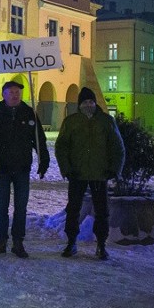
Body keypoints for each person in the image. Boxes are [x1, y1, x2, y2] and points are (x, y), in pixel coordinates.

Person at [54, 87, 125, 260]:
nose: (88, 105)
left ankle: (101, 244)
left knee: (102, 211)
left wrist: (114, 169)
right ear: (80, 105)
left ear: (95, 103)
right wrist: (66, 168)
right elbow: (61, 146)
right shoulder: (71, 122)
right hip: (77, 173)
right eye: (85, 102)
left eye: (91, 102)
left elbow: (118, 147)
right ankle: (71, 242)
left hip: (99, 173)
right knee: (73, 209)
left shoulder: (106, 121)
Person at [0, 80, 49, 258]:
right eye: (11, 91)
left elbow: (39, 140)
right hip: (2, 168)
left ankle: (18, 241)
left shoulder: (29, 114)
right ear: (3, 94)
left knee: (21, 207)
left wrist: (44, 161)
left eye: (17, 91)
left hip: (22, 168)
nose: (15, 94)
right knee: (1, 207)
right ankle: (1, 241)